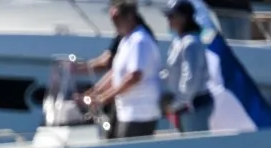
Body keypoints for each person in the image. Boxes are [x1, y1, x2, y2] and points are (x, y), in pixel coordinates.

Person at [89, 0, 163, 139]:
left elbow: (134, 76)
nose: (113, 22)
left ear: (129, 16)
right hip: (126, 112)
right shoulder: (126, 41)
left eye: (117, 18)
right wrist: (95, 93)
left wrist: (105, 98)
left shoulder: (139, 41)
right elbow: (115, 73)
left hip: (139, 114)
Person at [162, 0, 213, 133]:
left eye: (171, 16)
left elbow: (190, 80)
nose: (168, 20)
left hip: (193, 107)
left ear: (183, 18)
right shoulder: (179, 41)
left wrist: (176, 104)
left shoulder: (191, 43)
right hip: (182, 107)